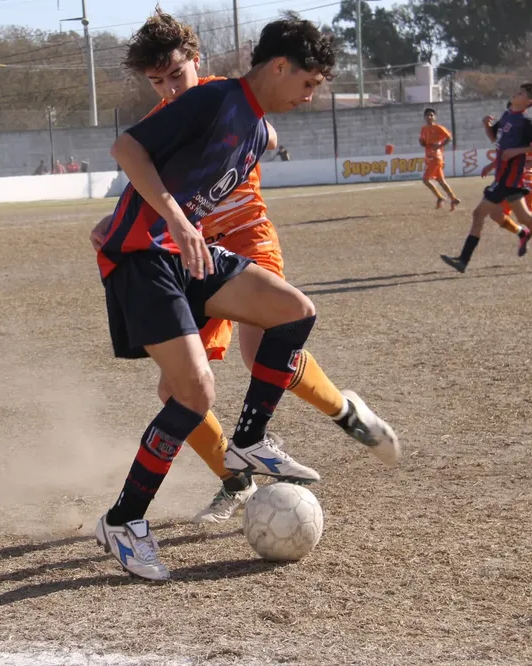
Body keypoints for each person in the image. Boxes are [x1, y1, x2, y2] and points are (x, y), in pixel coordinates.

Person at [92, 13, 398, 581]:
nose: (309, 97)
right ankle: (125, 520)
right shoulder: (212, 100)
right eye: (308, 84)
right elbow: (127, 150)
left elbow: (190, 171)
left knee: (293, 310)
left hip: (194, 255)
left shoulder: (256, 128)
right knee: (191, 391)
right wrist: (171, 224)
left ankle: (252, 441)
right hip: (146, 260)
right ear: (280, 67)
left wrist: (183, 228)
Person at [441, 83, 532, 273]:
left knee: (479, 214)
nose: (516, 93)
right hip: (506, 178)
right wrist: (487, 126)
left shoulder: (525, 121)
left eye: (522, 93)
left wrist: (518, 151)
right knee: (526, 217)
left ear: (528, 102)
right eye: (518, 90)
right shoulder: (507, 115)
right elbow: (495, 139)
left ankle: (463, 260)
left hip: (508, 179)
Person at [419, 108, 460, 210]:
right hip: (429, 156)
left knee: (425, 180)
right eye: (427, 115)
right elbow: (422, 141)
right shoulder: (423, 129)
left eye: (431, 115)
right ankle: (453, 199)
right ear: (424, 117)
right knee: (441, 180)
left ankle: (440, 197)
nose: (429, 117)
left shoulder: (439, 128)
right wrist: (421, 142)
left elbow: (449, 138)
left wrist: (439, 145)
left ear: (434, 117)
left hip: (436, 157)